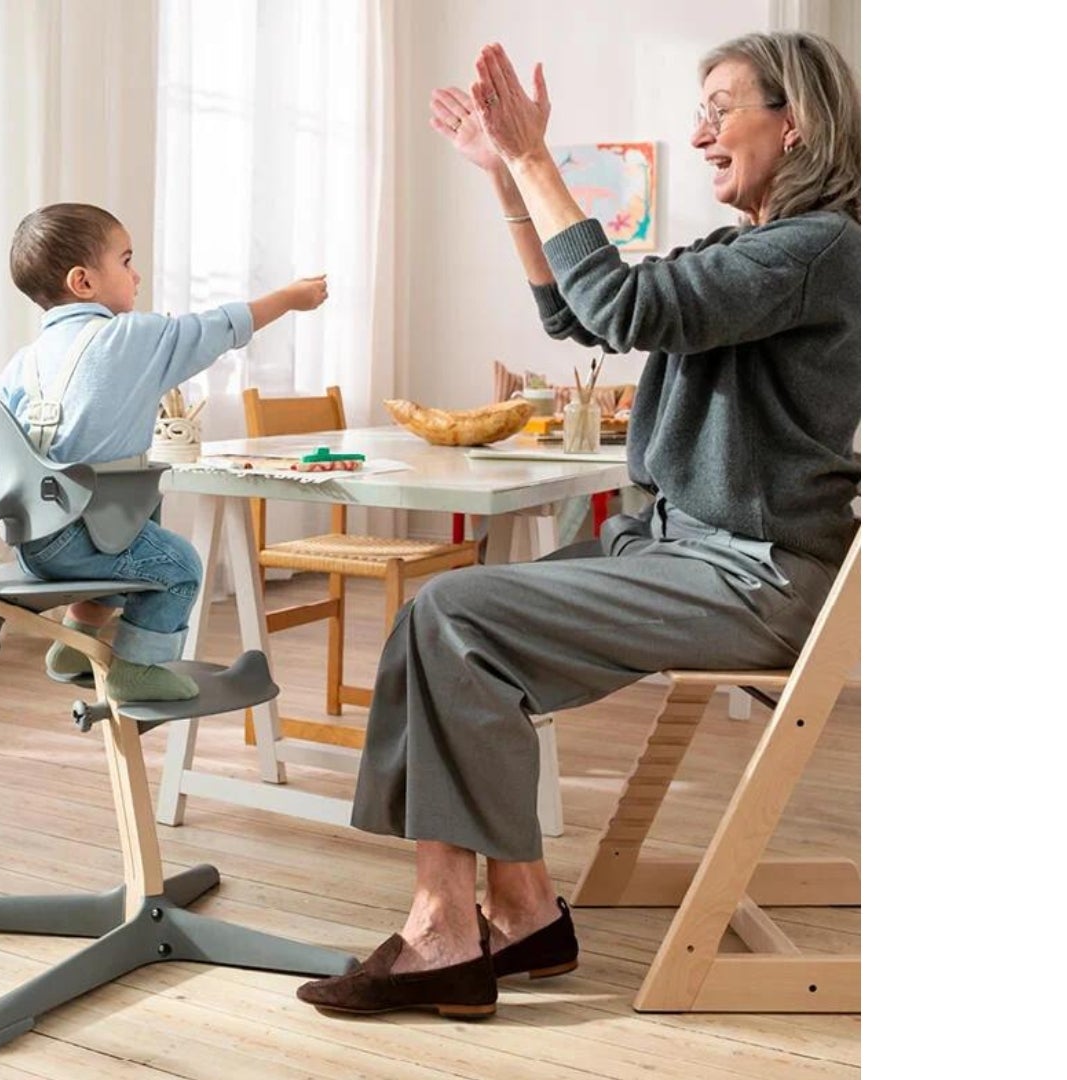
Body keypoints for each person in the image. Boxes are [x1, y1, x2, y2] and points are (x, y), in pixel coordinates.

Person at [295, 32, 859, 1018]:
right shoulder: (759, 250)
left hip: (750, 572)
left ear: (796, 120)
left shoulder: (824, 249)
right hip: (685, 546)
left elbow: (626, 302)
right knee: (449, 623)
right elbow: (584, 318)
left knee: (454, 618)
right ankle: (518, 911)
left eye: (720, 106)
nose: (700, 132)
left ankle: (445, 927)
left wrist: (532, 155)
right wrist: (512, 182)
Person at [0, 202, 329, 701]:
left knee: (133, 540)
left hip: (30, 539)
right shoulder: (133, 337)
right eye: (126, 261)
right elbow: (218, 326)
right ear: (83, 282)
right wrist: (288, 298)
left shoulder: (26, 360)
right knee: (177, 566)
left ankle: (76, 642)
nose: (137, 274)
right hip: (82, 537)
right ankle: (137, 670)